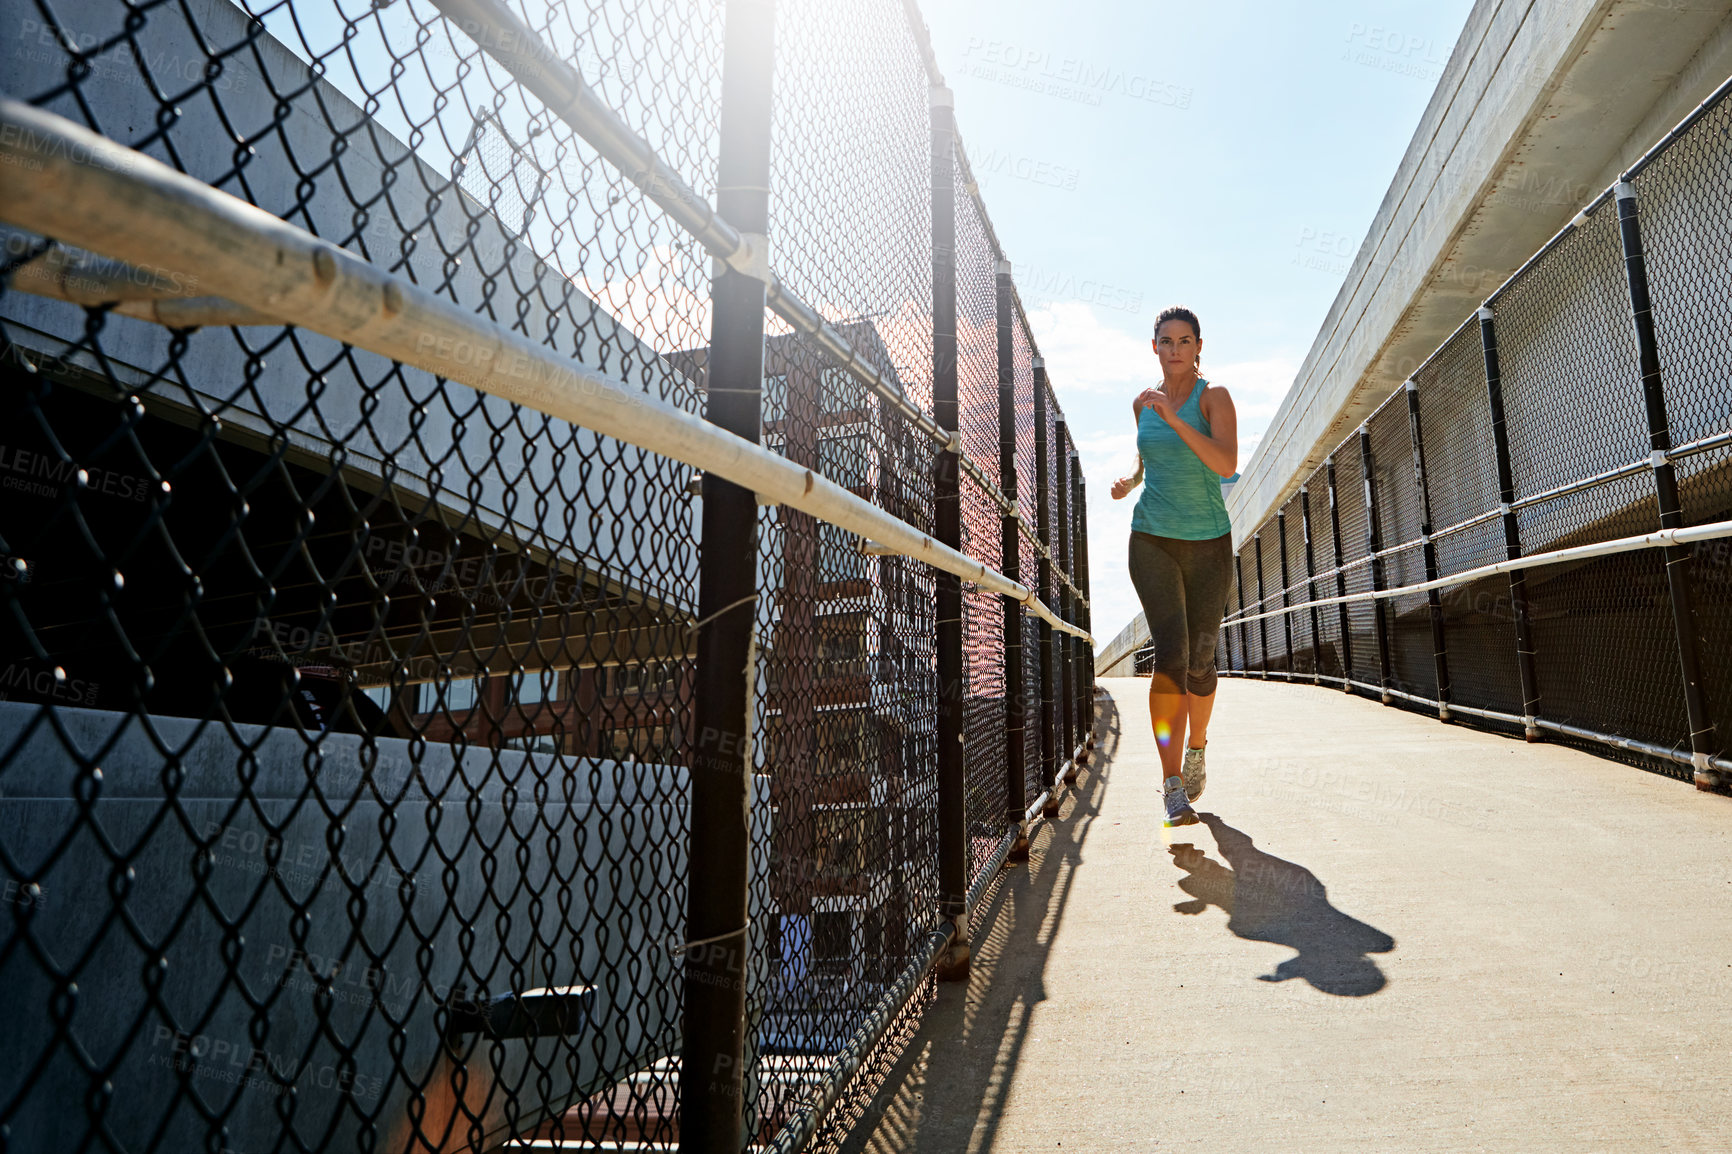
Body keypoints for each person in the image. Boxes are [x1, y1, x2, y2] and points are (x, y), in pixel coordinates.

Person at [1110, 306, 1238, 827]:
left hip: (1207, 543)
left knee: (1201, 662)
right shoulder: (1143, 403)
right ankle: (1171, 785)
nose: (1176, 348)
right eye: (1167, 340)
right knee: (1171, 654)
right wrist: (1131, 480)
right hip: (1152, 540)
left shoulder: (1215, 398)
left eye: (1186, 340)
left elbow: (1224, 464)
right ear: (1155, 347)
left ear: (1199, 346)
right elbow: (1151, 460)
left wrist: (1172, 419)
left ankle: (1197, 748)